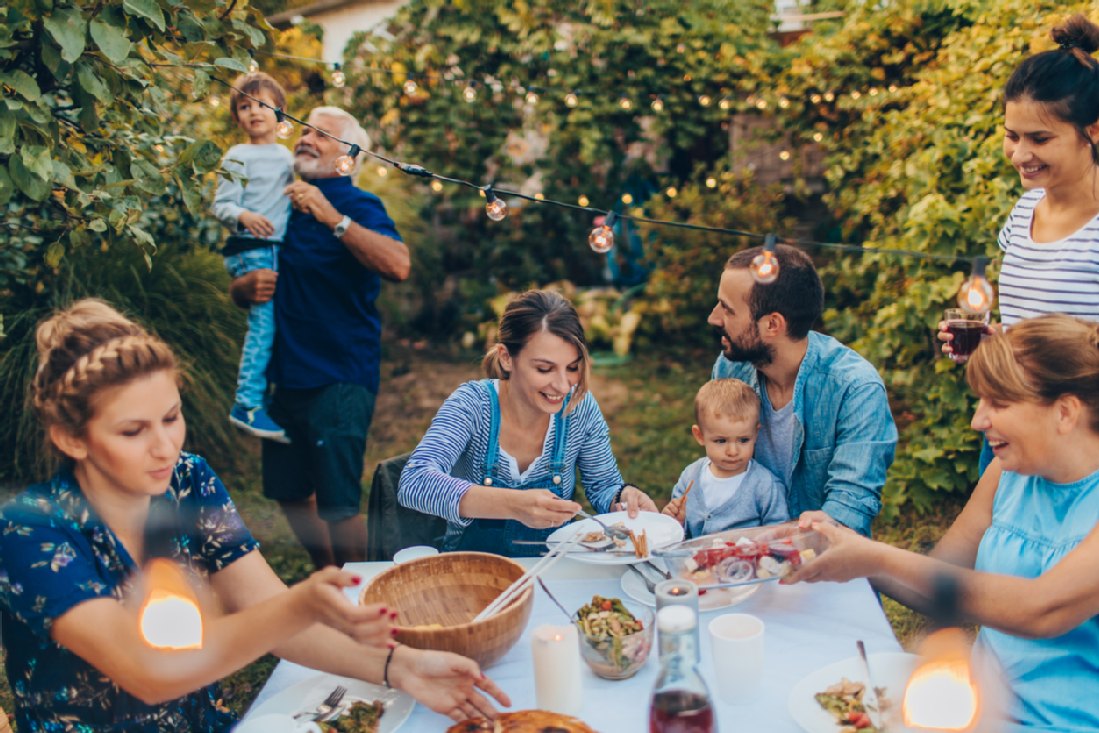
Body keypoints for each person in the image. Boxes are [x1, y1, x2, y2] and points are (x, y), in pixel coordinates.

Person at [0, 299, 509, 731]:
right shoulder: (32, 528)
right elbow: (149, 670)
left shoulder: (187, 480)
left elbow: (267, 612)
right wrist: (300, 605)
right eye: (133, 432)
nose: (164, 447)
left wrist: (399, 666)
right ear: (70, 438)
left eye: (172, 418)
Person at [786, 314, 1099, 732]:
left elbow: (1040, 609)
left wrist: (874, 556)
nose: (978, 421)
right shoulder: (1008, 473)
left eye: (998, 403)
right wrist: (842, 544)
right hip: (975, 714)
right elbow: (941, 581)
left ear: (1064, 412)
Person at [230, 106, 410, 569]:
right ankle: (329, 576)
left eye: (322, 135)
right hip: (284, 374)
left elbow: (398, 264)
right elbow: (243, 275)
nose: (306, 138)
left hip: (339, 374)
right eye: (304, 130)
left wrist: (333, 217)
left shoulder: (359, 206)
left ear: (348, 157)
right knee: (290, 492)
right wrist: (242, 288)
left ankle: (361, 590)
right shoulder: (274, 202)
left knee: (338, 504)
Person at [939, 14, 1099, 474]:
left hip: (1080, 443)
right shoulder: (1024, 212)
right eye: (1012, 136)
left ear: (1094, 131)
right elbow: (1028, 327)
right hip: (1011, 425)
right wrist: (996, 346)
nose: (1020, 154)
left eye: (1040, 138)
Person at [398, 290, 658, 556]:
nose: (562, 385)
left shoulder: (579, 409)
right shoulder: (473, 404)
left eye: (572, 368)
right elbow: (415, 482)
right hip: (471, 569)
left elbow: (604, 486)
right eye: (544, 369)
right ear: (506, 358)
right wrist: (514, 505)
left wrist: (624, 498)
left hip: (553, 567)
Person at [709, 243, 897, 537]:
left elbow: (847, 512)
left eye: (728, 310)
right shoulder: (730, 369)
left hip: (821, 562)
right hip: (739, 555)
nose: (714, 318)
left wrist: (763, 542)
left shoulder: (856, 388)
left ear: (773, 324)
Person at [213, 72, 295, 442]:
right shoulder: (237, 155)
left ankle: (267, 397)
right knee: (262, 328)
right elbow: (222, 204)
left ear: (281, 113)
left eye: (262, 105)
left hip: (274, 250)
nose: (253, 112)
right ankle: (246, 404)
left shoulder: (287, 158)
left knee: (273, 326)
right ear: (237, 118)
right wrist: (242, 215)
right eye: (244, 107)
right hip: (250, 250)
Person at [662, 379, 787, 538]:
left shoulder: (765, 486)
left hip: (745, 561)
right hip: (692, 560)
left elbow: (779, 536)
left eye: (743, 440)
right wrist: (676, 522)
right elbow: (678, 535)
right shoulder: (690, 476)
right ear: (700, 436)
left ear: (755, 434)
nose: (733, 451)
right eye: (721, 441)